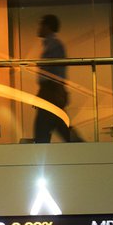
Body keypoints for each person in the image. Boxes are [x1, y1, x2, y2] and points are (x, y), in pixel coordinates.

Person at [34, 13, 80, 143]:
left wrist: (47, 93)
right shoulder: (51, 45)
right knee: (59, 127)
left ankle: (82, 148)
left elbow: (53, 72)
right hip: (51, 92)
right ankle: (82, 148)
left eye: (41, 25)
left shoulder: (53, 45)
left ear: (47, 26)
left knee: (43, 130)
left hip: (51, 93)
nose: (38, 28)